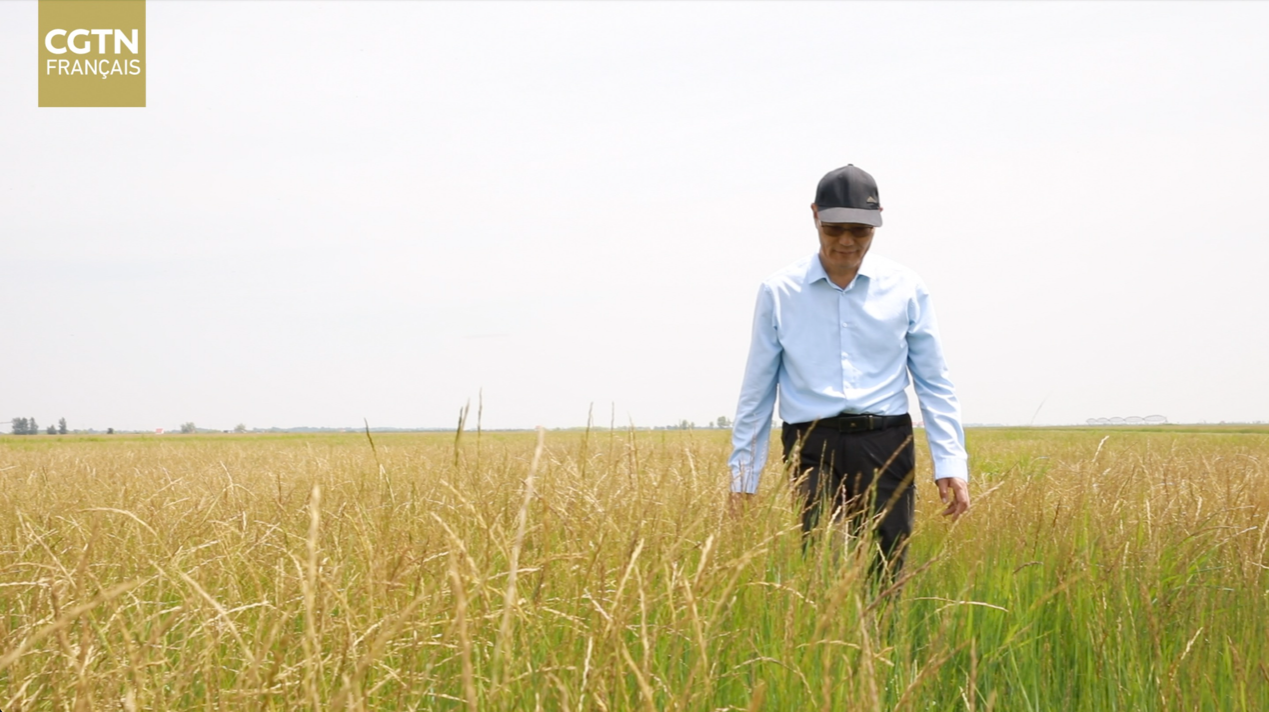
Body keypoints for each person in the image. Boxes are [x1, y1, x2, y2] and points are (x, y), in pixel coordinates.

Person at [728, 164, 970, 577]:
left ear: (877, 223)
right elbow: (758, 388)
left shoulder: (906, 288)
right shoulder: (779, 291)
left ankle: (882, 621)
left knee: (885, 570)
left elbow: (934, 383)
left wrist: (950, 464)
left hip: (886, 442)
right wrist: (743, 478)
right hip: (811, 443)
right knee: (821, 563)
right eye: (834, 228)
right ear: (815, 215)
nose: (845, 241)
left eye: (859, 230)